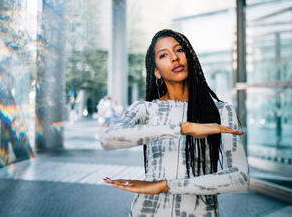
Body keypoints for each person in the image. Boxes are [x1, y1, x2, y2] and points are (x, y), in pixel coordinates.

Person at [100, 29, 249, 216]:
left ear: (190, 58)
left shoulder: (221, 111)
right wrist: (181, 129)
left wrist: (165, 186)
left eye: (179, 50)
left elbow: (239, 178)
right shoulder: (145, 109)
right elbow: (107, 139)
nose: (174, 58)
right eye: (164, 55)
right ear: (156, 72)